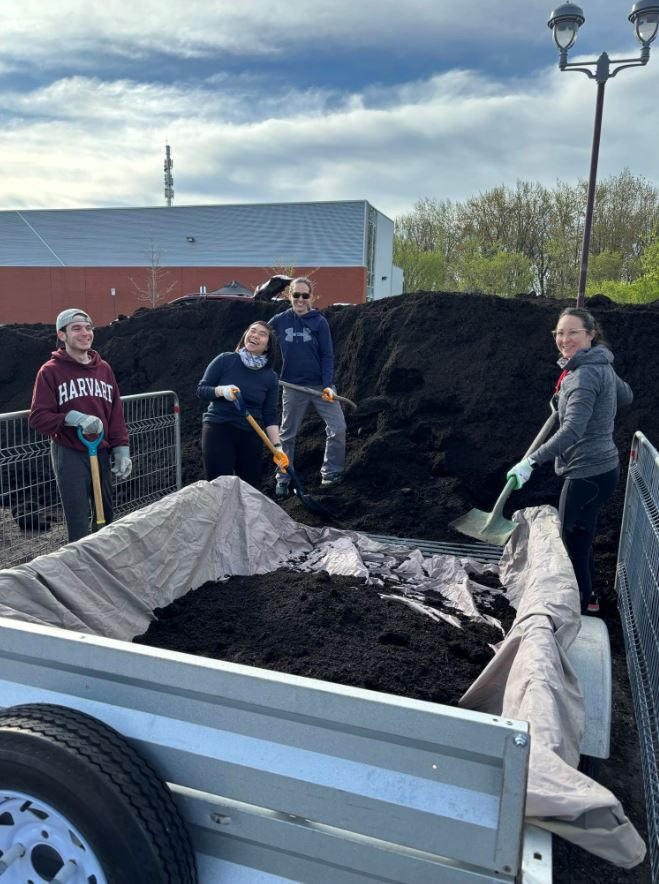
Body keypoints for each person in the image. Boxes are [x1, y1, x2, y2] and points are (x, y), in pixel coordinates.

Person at [506, 307, 633, 615]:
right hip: (603, 468)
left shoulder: (584, 375)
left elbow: (572, 430)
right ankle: (588, 597)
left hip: (587, 472)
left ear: (590, 334)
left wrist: (531, 462)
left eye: (573, 332)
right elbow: (626, 396)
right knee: (581, 535)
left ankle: (581, 606)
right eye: (559, 333)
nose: (564, 339)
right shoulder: (598, 363)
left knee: (572, 541)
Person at [29, 308, 132, 543]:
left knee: (105, 516)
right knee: (78, 520)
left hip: (101, 451)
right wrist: (72, 418)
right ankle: (79, 569)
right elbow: (38, 417)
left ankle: (104, 562)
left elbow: (115, 413)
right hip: (70, 452)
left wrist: (121, 449)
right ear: (62, 335)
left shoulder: (103, 369)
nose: (85, 333)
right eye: (76, 328)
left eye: (88, 328)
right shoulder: (50, 371)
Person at [267, 277, 346, 498]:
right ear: (289, 296)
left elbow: (327, 355)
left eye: (305, 295)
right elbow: (260, 337)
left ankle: (331, 474)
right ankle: (283, 477)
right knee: (287, 435)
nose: (300, 299)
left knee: (338, 428)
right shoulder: (280, 321)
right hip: (292, 387)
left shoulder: (319, 322)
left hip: (321, 388)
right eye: (296, 295)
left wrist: (328, 385)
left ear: (311, 297)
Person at [197, 320, 286, 487]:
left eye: (262, 334)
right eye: (252, 331)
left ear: (267, 346)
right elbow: (202, 390)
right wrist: (221, 391)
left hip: (251, 434)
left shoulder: (270, 377)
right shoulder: (225, 360)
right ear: (245, 335)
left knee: (249, 487)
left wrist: (277, 447)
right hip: (219, 428)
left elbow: (270, 415)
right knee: (218, 484)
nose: (255, 335)